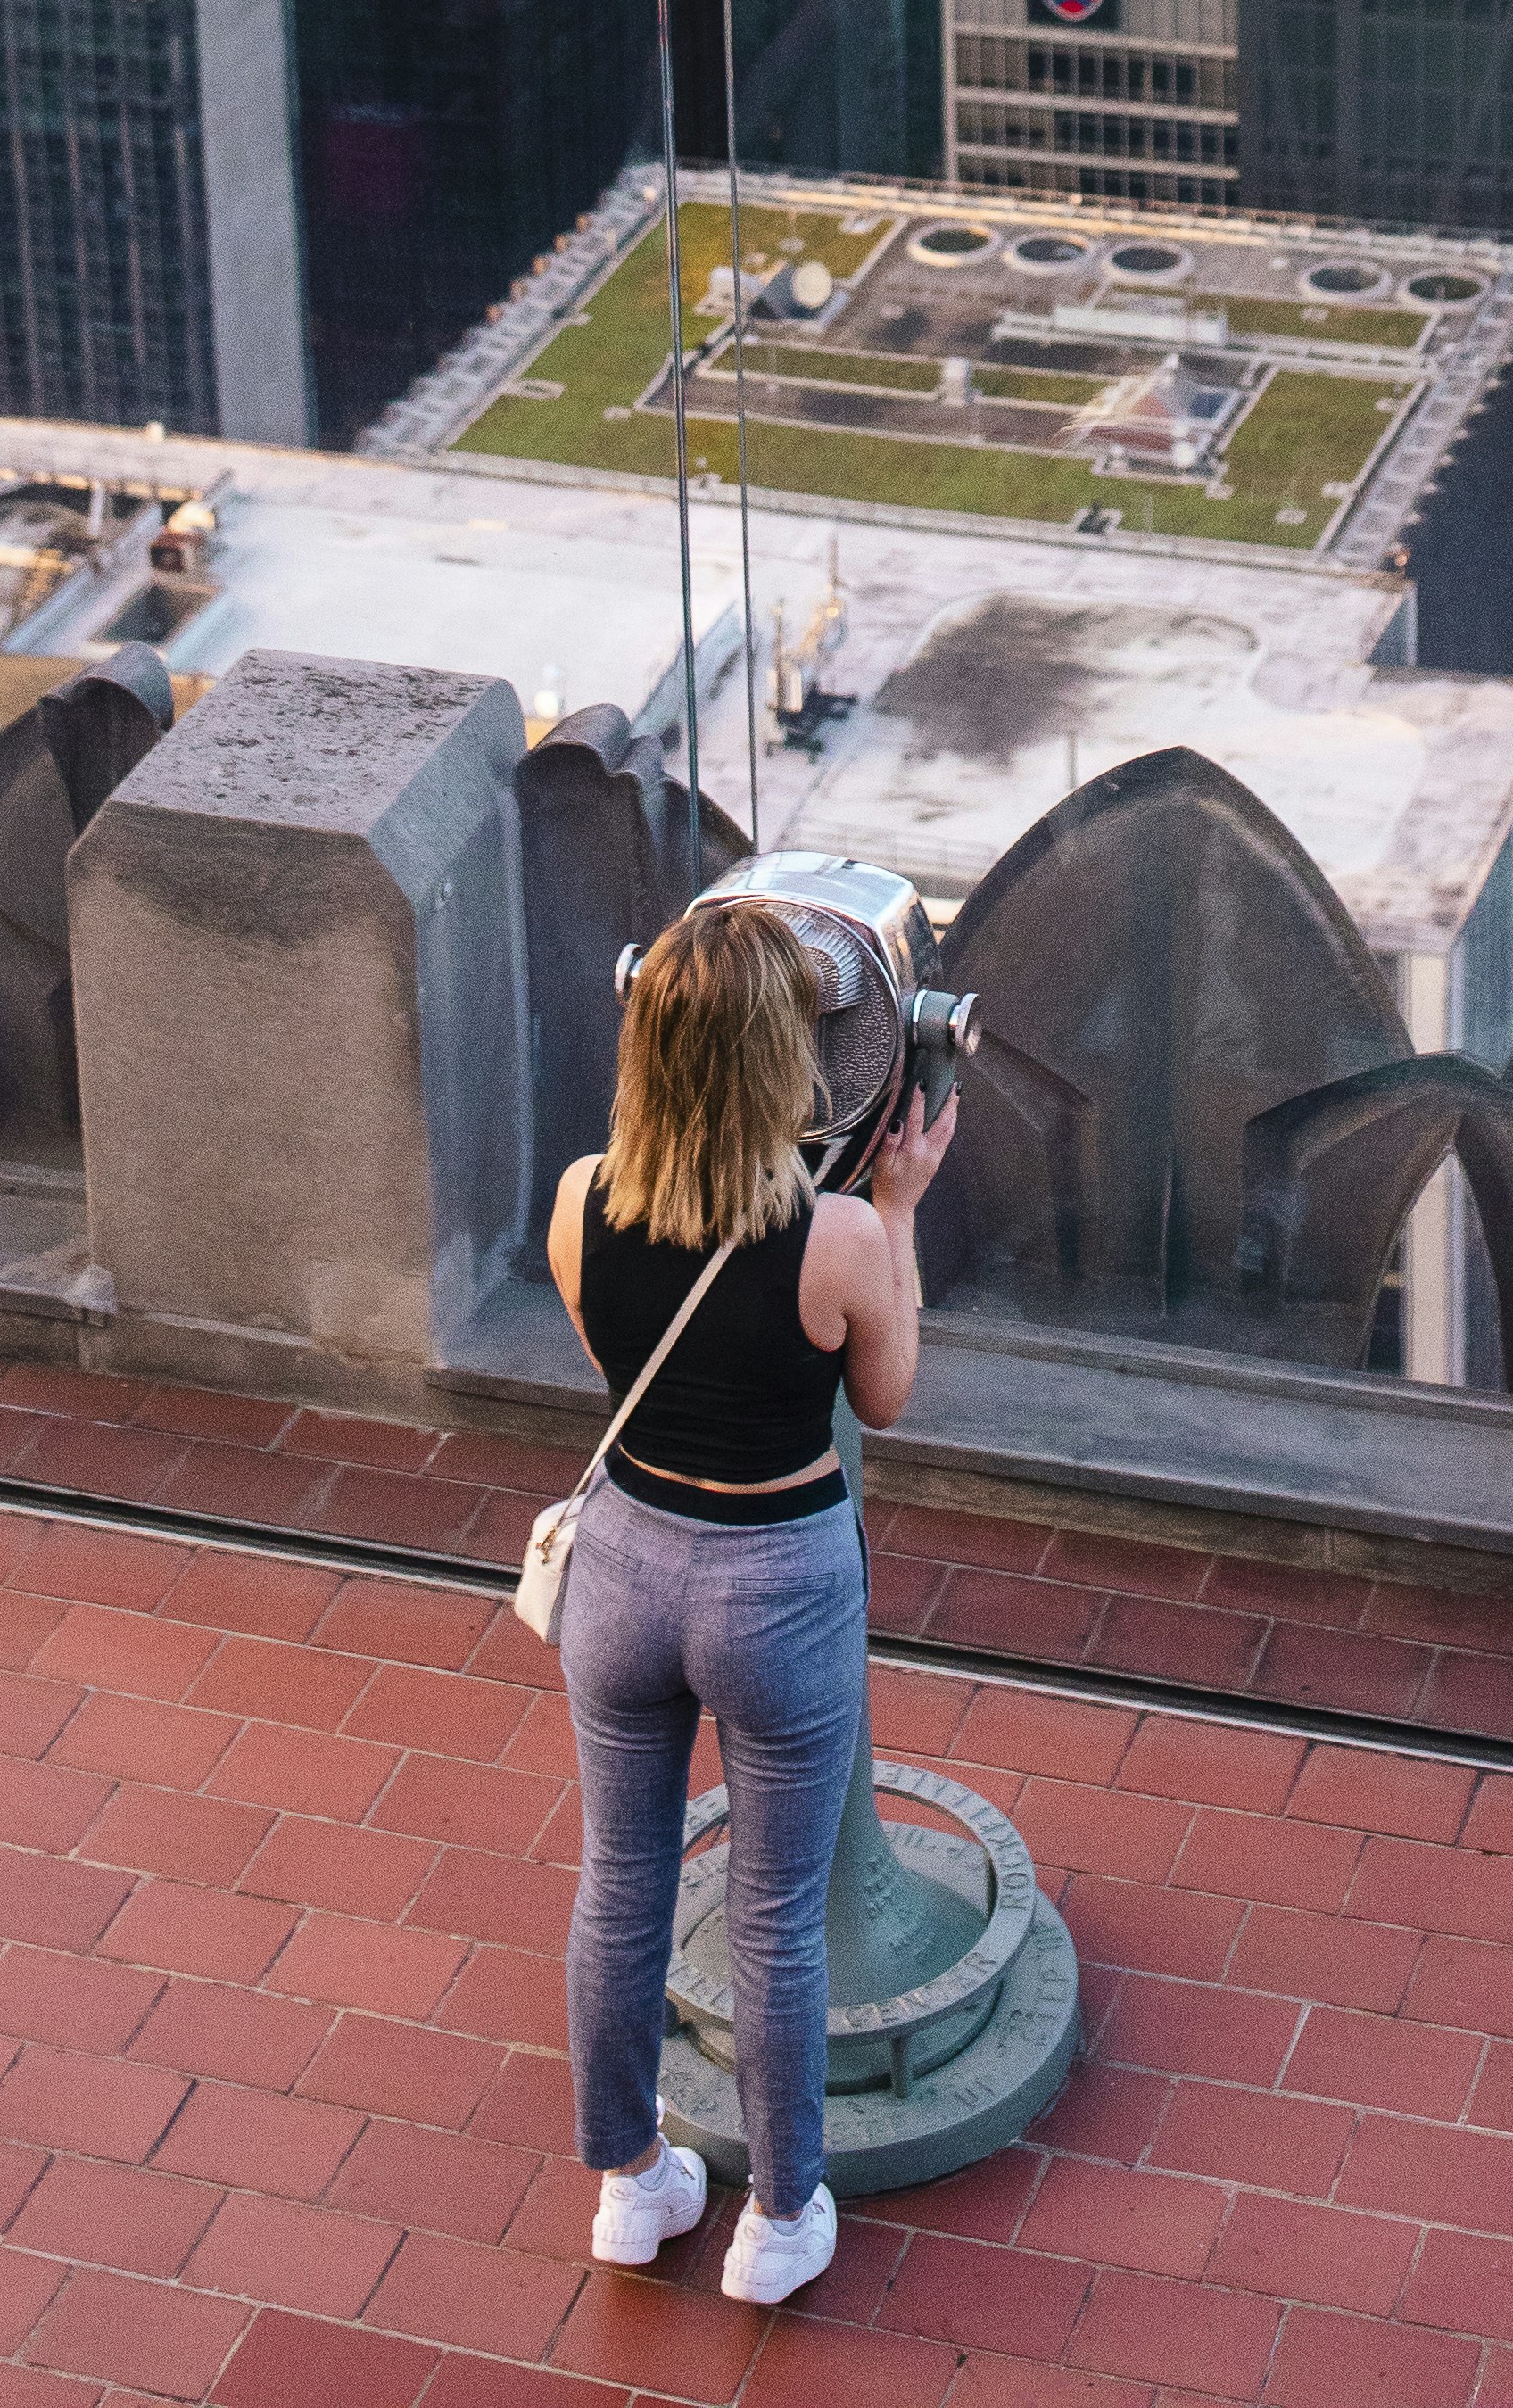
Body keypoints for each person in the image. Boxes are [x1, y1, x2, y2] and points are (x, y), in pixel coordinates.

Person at [547, 885, 955, 2307]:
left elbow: (628, 1342)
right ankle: (779, 2223)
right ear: (789, 1057)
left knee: (620, 1885)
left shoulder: (579, 1198)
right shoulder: (834, 1237)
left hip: (624, 1565)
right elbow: (886, 1397)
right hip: (774, 1580)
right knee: (777, 1916)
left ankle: (628, 2184)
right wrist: (894, 1205)